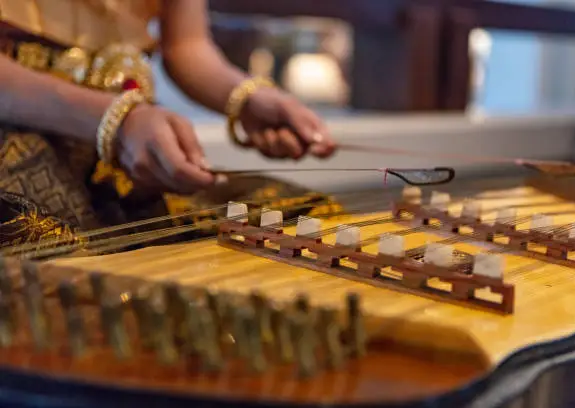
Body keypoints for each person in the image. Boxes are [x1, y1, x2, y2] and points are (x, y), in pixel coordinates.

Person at [0, 0, 337, 248]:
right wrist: (115, 120)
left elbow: (187, 45)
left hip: (126, 154)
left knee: (305, 221)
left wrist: (248, 99)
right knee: (54, 248)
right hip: (16, 136)